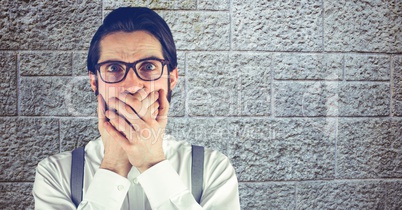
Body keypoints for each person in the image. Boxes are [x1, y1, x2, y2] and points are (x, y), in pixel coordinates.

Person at [32, 7, 240, 209]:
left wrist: (153, 164)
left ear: (172, 78)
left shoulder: (213, 169)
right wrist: (112, 166)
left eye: (148, 67)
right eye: (114, 68)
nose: (132, 85)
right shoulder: (55, 174)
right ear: (94, 82)